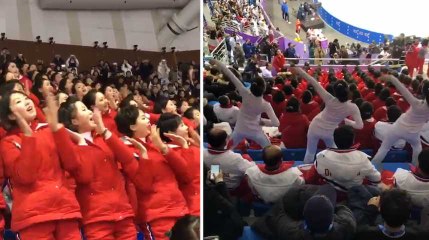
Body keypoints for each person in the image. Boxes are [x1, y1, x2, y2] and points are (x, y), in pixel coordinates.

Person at [0, 90, 82, 239]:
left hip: (65, 210)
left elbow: (73, 164)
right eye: (18, 102)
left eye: (26, 98)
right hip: (34, 216)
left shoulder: (49, 130)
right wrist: (28, 136)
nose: (26, 102)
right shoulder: (8, 142)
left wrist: (57, 128)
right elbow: (26, 177)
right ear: (11, 115)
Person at [57, 97, 136, 239]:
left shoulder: (103, 137)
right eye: (83, 110)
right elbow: (84, 177)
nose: (89, 112)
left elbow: (128, 159)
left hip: (123, 211)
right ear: (74, 121)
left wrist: (105, 131)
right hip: (96, 217)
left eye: (88, 109)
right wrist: (82, 143)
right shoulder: (71, 147)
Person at [114, 105, 190, 240]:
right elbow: (144, 185)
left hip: (180, 208)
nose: (149, 120)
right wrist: (144, 155)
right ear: (132, 127)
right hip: (157, 214)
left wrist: (163, 148)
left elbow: (185, 172)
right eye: (143, 118)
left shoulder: (157, 145)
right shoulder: (127, 151)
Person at [293, 67, 363, 163]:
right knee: (334, 155)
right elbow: (360, 126)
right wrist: (346, 121)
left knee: (310, 153)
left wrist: (298, 70)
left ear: (335, 92)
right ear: (348, 91)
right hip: (330, 133)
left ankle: (306, 174)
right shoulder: (352, 107)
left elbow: (312, 81)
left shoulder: (329, 98)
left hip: (314, 127)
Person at [210, 59, 279, 148]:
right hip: (256, 132)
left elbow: (230, 74)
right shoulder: (266, 105)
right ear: (264, 89)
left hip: (239, 129)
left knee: (227, 150)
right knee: (271, 150)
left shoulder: (244, 92)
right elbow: (276, 123)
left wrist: (216, 61)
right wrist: (263, 121)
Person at [372, 75, 429, 166]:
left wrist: (390, 77)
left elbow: (401, 88)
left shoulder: (416, 103)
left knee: (384, 148)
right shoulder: (418, 104)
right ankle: (415, 167)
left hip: (398, 128)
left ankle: (373, 166)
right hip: (413, 134)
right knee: (417, 148)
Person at [157, 113, 200, 216]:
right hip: (193, 202)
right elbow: (189, 176)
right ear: (171, 133)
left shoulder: (192, 145)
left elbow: (212, 166)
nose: (186, 128)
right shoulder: (171, 154)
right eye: (182, 126)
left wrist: (218, 183)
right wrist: (185, 145)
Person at [315, 125, 381, 192]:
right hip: (356, 193)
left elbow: (315, 174)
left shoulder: (321, 155)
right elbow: (376, 179)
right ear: (353, 141)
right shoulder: (362, 158)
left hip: (330, 193)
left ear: (334, 140)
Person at [354, 189, 429, 239]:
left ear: (379, 210)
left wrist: (371, 208)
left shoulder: (363, 233)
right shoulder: (422, 235)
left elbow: (360, 226)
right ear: (409, 215)